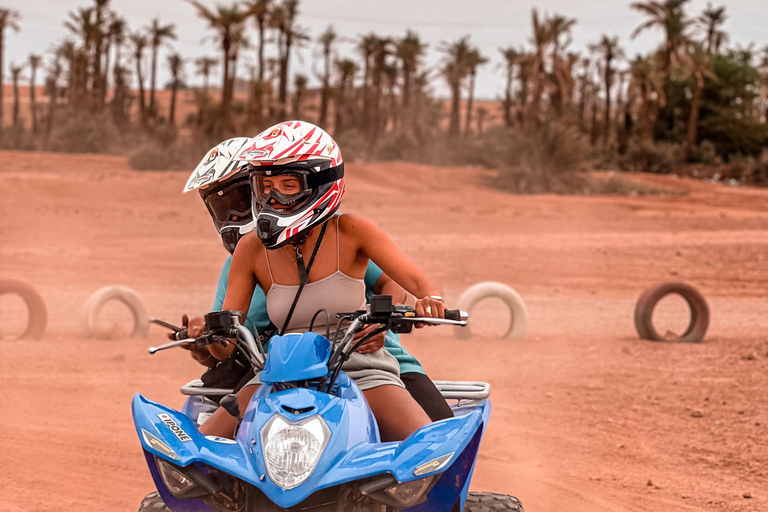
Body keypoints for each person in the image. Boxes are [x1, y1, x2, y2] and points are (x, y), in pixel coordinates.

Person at [198, 121, 449, 441]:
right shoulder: (250, 250)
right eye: (264, 186)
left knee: (430, 448)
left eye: (287, 185)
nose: (272, 198)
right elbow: (228, 339)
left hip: (360, 367)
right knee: (197, 455)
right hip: (281, 373)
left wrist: (432, 301)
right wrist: (210, 336)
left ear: (321, 184)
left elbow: (416, 279)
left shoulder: (353, 231)